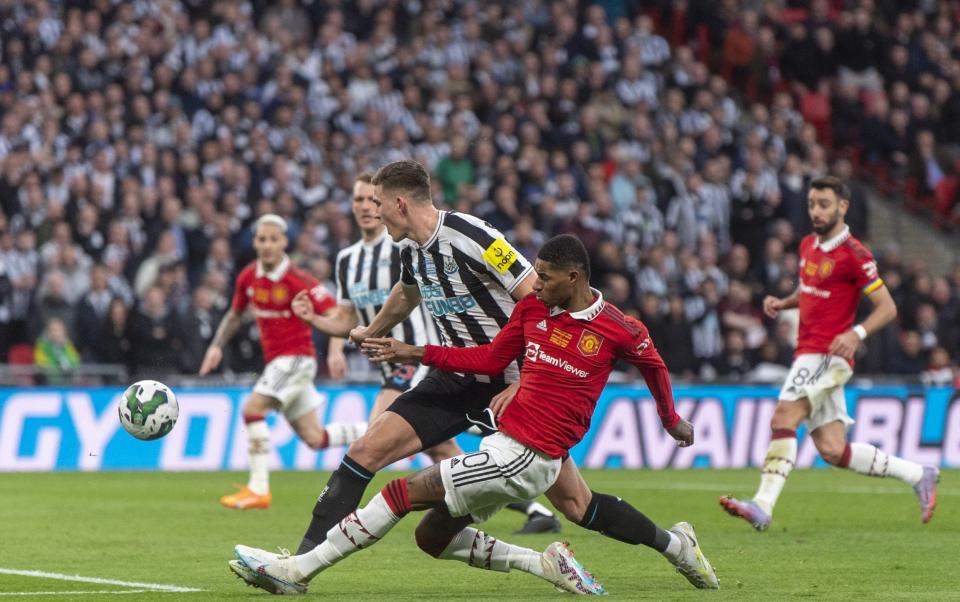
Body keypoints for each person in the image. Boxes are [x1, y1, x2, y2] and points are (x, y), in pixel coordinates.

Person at [228, 234, 717, 595]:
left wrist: (670, 418)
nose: (534, 285)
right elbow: (485, 360)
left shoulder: (618, 329)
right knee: (433, 536)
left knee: (401, 491)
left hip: (530, 455)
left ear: (574, 278)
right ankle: (666, 548)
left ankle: (299, 571)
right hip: (504, 443)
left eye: (544, 277)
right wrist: (413, 350)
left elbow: (654, 366)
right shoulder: (530, 313)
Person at [292, 171, 560, 534]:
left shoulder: (476, 236)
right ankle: (299, 562)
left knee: (575, 502)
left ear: (399, 204)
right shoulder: (388, 252)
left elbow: (538, 299)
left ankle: (660, 544)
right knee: (368, 449)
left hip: (504, 379)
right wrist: (370, 333)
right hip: (451, 374)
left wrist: (529, 376)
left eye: (377, 201)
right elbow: (406, 293)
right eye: (362, 201)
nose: (372, 209)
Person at [720, 176, 940, 530]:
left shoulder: (855, 254)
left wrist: (857, 333)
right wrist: (785, 301)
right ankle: (919, 473)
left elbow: (887, 308)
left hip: (827, 355)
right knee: (834, 450)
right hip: (807, 352)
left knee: (783, 418)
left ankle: (762, 505)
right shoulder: (808, 245)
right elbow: (811, 288)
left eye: (824, 204)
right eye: (812, 204)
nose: (816, 211)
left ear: (843, 207)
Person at [199, 214, 368, 510]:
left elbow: (337, 316)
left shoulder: (299, 280)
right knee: (316, 438)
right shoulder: (248, 277)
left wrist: (335, 350)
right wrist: (215, 346)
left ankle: (259, 488)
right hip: (278, 364)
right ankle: (382, 430)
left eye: (273, 239)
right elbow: (235, 314)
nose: (266, 245)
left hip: (296, 360)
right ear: (254, 242)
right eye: (261, 239)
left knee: (252, 409)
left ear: (284, 242)